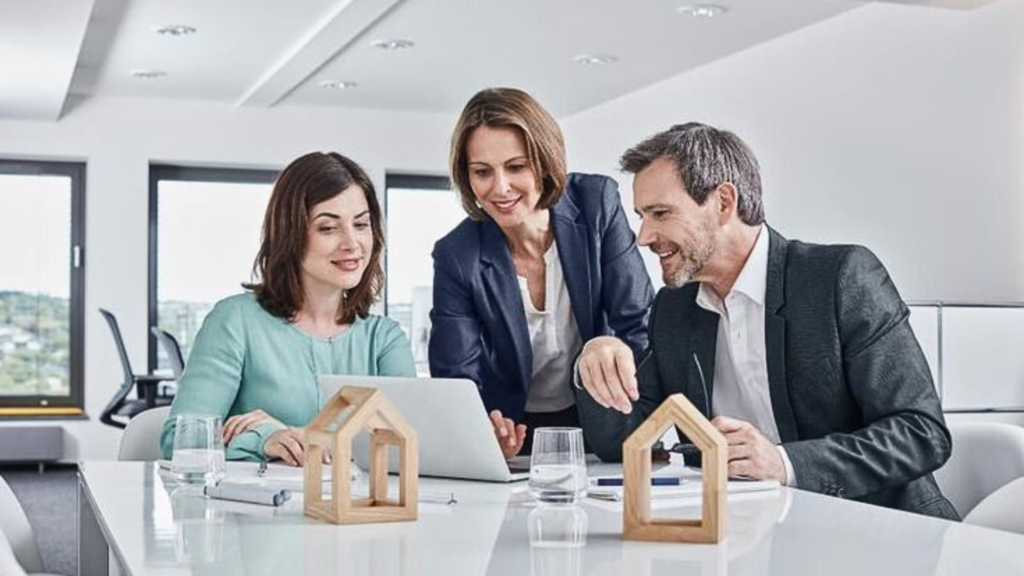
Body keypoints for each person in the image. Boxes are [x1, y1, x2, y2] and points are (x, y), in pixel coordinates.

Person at [577, 122, 958, 519]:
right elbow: (625, 442)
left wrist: (784, 464)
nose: (643, 236)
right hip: (753, 538)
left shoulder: (840, 278)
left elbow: (920, 433)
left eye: (660, 213)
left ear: (724, 202)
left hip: (885, 534)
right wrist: (595, 359)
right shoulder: (675, 308)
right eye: (642, 216)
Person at [429, 87, 654, 461]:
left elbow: (639, 324)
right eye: (482, 172)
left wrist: (646, 423)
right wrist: (483, 429)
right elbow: (457, 378)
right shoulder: (456, 254)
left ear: (545, 161)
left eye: (516, 167)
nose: (499, 188)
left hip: (601, 417)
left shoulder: (597, 203)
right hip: (513, 431)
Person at [160, 152, 415, 465]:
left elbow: (402, 447)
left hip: (357, 513)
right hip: (254, 512)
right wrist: (267, 438)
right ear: (290, 235)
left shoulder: (385, 339)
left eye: (361, 224)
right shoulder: (235, 322)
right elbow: (180, 439)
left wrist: (290, 432)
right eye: (328, 228)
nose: (352, 242)